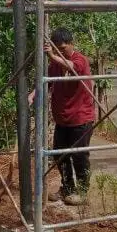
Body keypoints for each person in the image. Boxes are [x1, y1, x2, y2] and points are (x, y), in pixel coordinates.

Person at [42, 27, 98, 206]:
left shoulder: (80, 60)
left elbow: (72, 67)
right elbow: (46, 83)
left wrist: (52, 55)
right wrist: (32, 95)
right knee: (60, 156)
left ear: (72, 44)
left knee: (79, 157)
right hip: (62, 120)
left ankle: (82, 191)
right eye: (56, 49)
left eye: (63, 49)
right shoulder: (55, 65)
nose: (60, 52)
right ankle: (67, 188)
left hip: (80, 119)